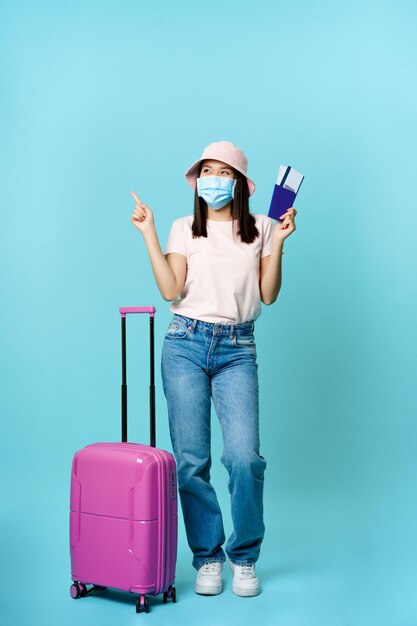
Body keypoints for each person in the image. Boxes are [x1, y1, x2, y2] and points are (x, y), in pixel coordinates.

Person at [130, 140, 297, 597]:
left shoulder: (261, 227)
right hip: (184, 343)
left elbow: (268, 294)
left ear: (239, 183)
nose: (212, 178)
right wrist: (149, 233)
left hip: (237, 348)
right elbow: (171, 289)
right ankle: (207, 557)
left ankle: (243, 558)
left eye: (221, 171)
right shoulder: (185, 228)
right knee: (191, 463)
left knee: (245, 458)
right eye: (205, 170)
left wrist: (278, 243)